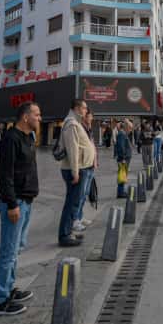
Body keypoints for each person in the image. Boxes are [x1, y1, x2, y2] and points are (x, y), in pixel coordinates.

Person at [0, 102, 42, 316]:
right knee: (8, 252)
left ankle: (10, 288)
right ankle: (1, 300)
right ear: (25, 117)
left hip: (26, 200)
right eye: (36, 114)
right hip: (15, 203)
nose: (40, 118)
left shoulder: (29, 138)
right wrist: (12, 203)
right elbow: (5, 175)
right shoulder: (11, 139)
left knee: (16, 249)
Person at [59, 99, 95, 246]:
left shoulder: (76, 123)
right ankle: (65, 235)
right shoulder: (71, 124)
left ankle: (70, 232)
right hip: (77, 169)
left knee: (74, 202)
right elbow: (72, 149)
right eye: (85, 108)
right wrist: (75, 172)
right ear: (77, 108)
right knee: (71, 204)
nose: (86, 111)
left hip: (82, 168)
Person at [75, 109, 98, 230]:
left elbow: (92, 146)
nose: (91, 119)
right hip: (83, 166)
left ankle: (80, 216)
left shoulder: (89, 129)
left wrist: (95, 160)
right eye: (90, 116)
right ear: (84, 117)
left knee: (84, 194)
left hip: (90, 165)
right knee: (80, 194)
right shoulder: (80, 128)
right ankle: (75, 220)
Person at [115, 119, 134, 198]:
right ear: (126, 127)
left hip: (125, 159)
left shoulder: (123, 134)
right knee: (122, 175)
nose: (130, 130)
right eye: (130, 128)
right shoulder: (122, 134)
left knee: (123, 175)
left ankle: (121, 191)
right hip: (124, 159)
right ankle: (120, 192)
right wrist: (122, 158)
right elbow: (121, 147)